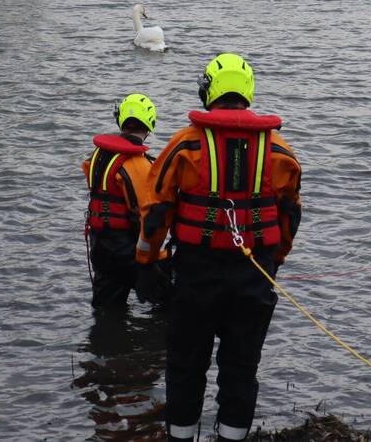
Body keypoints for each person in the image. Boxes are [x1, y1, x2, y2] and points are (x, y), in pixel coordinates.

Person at [136, 53, 303, 442]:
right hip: (254, 277)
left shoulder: (184, 145)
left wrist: (146, 264)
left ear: (209, 89)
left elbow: (156, 211)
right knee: (241, 370)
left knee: (185, 368)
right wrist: (272, 263)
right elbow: (289, 217)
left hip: (196, 275)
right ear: (248, 92)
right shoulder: (280, 152)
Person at [82, 93, 162, 311]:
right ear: (150, 124)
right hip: (126, 250)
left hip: (99, 246)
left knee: (106, 311)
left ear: (120, 120)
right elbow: (146, 216)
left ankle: (104, 340)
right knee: (168, 296)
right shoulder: (140, 165)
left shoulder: (98, 155)